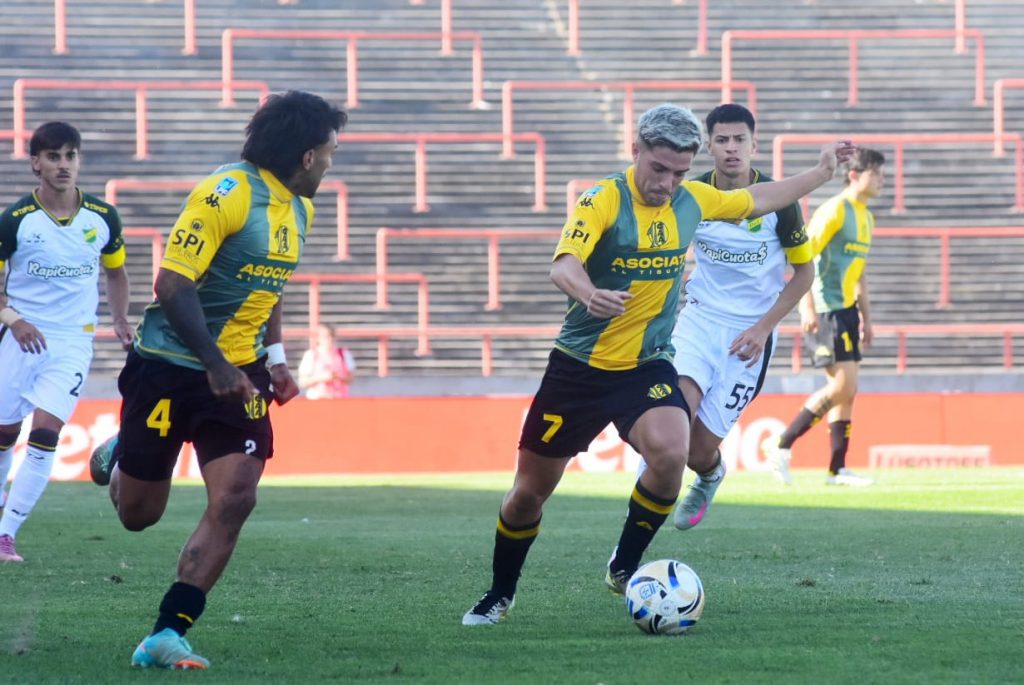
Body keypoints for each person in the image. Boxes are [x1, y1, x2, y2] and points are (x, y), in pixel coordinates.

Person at [461, 103, 856, 626]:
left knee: (672, 454)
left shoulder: (693, 200)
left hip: (646, 364)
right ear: (636, 151)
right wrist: (589, 293)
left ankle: (624, 566)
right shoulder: (602, 199)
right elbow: (563, 264)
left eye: (678, 173)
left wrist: (821, 172)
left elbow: (760, 198)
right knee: (528, 494)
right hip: (579, 368)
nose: (667, 184)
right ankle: (500, 593)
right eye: (659, 169)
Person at [87, 90, 347, 668]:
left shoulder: (300, 209)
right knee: (138, 515)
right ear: (307, 156)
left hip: (241, 374)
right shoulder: (225, 193)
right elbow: (171, 284)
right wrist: (215, 363)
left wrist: (275, 359)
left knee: (236, 497)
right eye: (331, 152)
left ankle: (166, 632)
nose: (332, 164)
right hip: (170, 367)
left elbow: (269, 287)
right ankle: (125, 448)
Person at [663, 103, 815, 531]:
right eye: (722, 140)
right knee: (672, 424)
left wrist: (763, 329)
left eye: (739, 139)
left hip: (750, 334)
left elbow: (805, 273)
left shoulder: (779, 201)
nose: (731, 148)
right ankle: (640, 518)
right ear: (708, 146)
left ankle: (710, 474)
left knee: (697, 451)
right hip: (699, 321)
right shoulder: (691, 196)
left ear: (754, 144)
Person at [0, 121, 132, 563]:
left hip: (73, 341)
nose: (63, 164)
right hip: (19, 337)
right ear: (35, 163)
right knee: (4, 433)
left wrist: (119, 319)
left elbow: (116, 272)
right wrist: (14, 320)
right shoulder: (15, 221)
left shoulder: (103, 217)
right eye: (53, 156)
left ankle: (6, 534)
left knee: (44, 434)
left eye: (70, 156)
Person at [762, 148, 886, 487]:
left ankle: (837, 468)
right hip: (826, 307)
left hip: (847, 310)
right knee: (842, 386)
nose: (882, 180)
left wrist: (867, 318)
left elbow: (859, 272)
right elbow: (805, 257)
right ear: (854, 175)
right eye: (876, 174)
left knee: (849, 390)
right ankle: (781, 442)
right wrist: (806, 307)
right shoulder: (834, 210)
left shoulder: (866, 217)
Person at [298, 323, 356, 398]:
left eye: (331, 336)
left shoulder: (343, 354)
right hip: (318, 398)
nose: (329, 339)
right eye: (326, 336)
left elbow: (351, 378)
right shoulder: (311, 355)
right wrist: (321, 378)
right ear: (318, 338)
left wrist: (338, 377)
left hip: (339, 398)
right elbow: (303, 381)